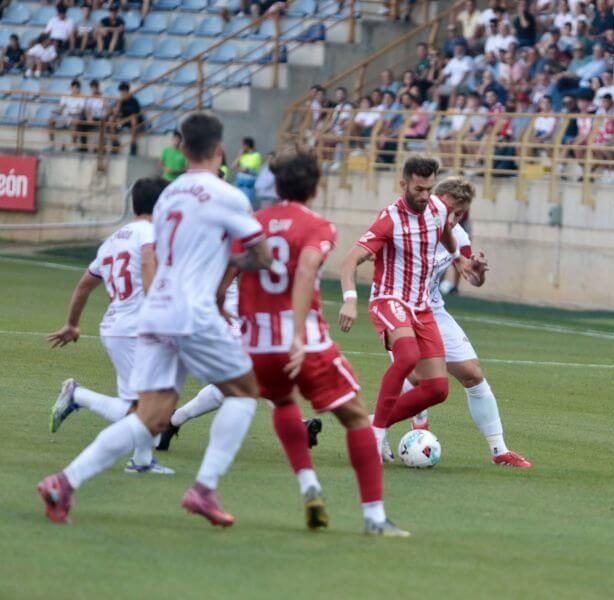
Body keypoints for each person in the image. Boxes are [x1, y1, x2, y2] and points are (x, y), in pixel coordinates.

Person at [37, 112, 275, 527]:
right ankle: (204, 489)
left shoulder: (167, 197)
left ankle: (63, 482)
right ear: (220, 150)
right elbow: (263, 254)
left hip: (157, 309)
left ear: (181, 149)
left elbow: (163, 256)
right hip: (192, 310)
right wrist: (231, 260)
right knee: (243, 391)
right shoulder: (227, 195)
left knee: (149, 419)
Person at [218, 149, 407, 536]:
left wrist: (220, 304)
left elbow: (231, 269)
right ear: (316, 187)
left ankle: (309, 485)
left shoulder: (252, 223)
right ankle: (373, 517)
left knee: (283, 401)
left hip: (257, 345)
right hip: (305, 343)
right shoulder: (317, 226)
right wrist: (299, 336)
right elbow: (305, 269)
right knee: (355, 416)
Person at [338, 156, 475, 462]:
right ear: (404, 185)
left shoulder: (438, 209)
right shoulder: (390, 219)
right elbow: (350, 261)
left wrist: (460, 259)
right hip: (390, 299)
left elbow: (446, 235)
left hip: (422, 307)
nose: (425, 196)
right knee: (408, 356)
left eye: (429, 189)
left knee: (437, 389)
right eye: (418, 189)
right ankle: (374, 436)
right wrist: (349, 298)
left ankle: (372, 425)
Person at [396, 177, 531, 467]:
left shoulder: (458, 237)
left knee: (472, 373)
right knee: (418, 376)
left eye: (460, 214)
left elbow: (471, 275)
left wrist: (479, 272)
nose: (454, 218)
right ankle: (401, 429)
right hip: (399, 308)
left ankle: (500, 451)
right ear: (435, 200)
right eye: (451, 210)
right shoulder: (405, 224)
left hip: (432, 308)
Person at [46, 177, 174, 476]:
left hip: (122, 328)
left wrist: (72, 324)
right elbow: (146, 264)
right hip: (135, 330)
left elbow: (84, 286)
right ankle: (77, 396)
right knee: (144, 412)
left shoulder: (113, 240)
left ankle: (142, 461)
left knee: (146, 404)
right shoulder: (149, 233)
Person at [48, 79, 86, 151]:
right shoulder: (65, 94)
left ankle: (73, 145)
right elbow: (61, 108)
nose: (74, 89)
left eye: (76, 88)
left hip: (74, 116)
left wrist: (74, 112)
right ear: (71, 88)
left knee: (74, 123)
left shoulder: (82, 97)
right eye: (73, 87)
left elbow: (80, 110)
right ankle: (52, 143)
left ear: (78, 89)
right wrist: (56, 112)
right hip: (64, 116)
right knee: (50, 121)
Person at [232, 137, 264, 207]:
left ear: (247, 145)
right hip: (239, 184)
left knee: (247, 205)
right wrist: (239, 156)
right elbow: (233, 166)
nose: (241, 147)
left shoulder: (256, 156)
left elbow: (246, 170)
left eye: (242, 145)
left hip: (248, 187)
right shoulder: (243, 155)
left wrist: (239, 168)